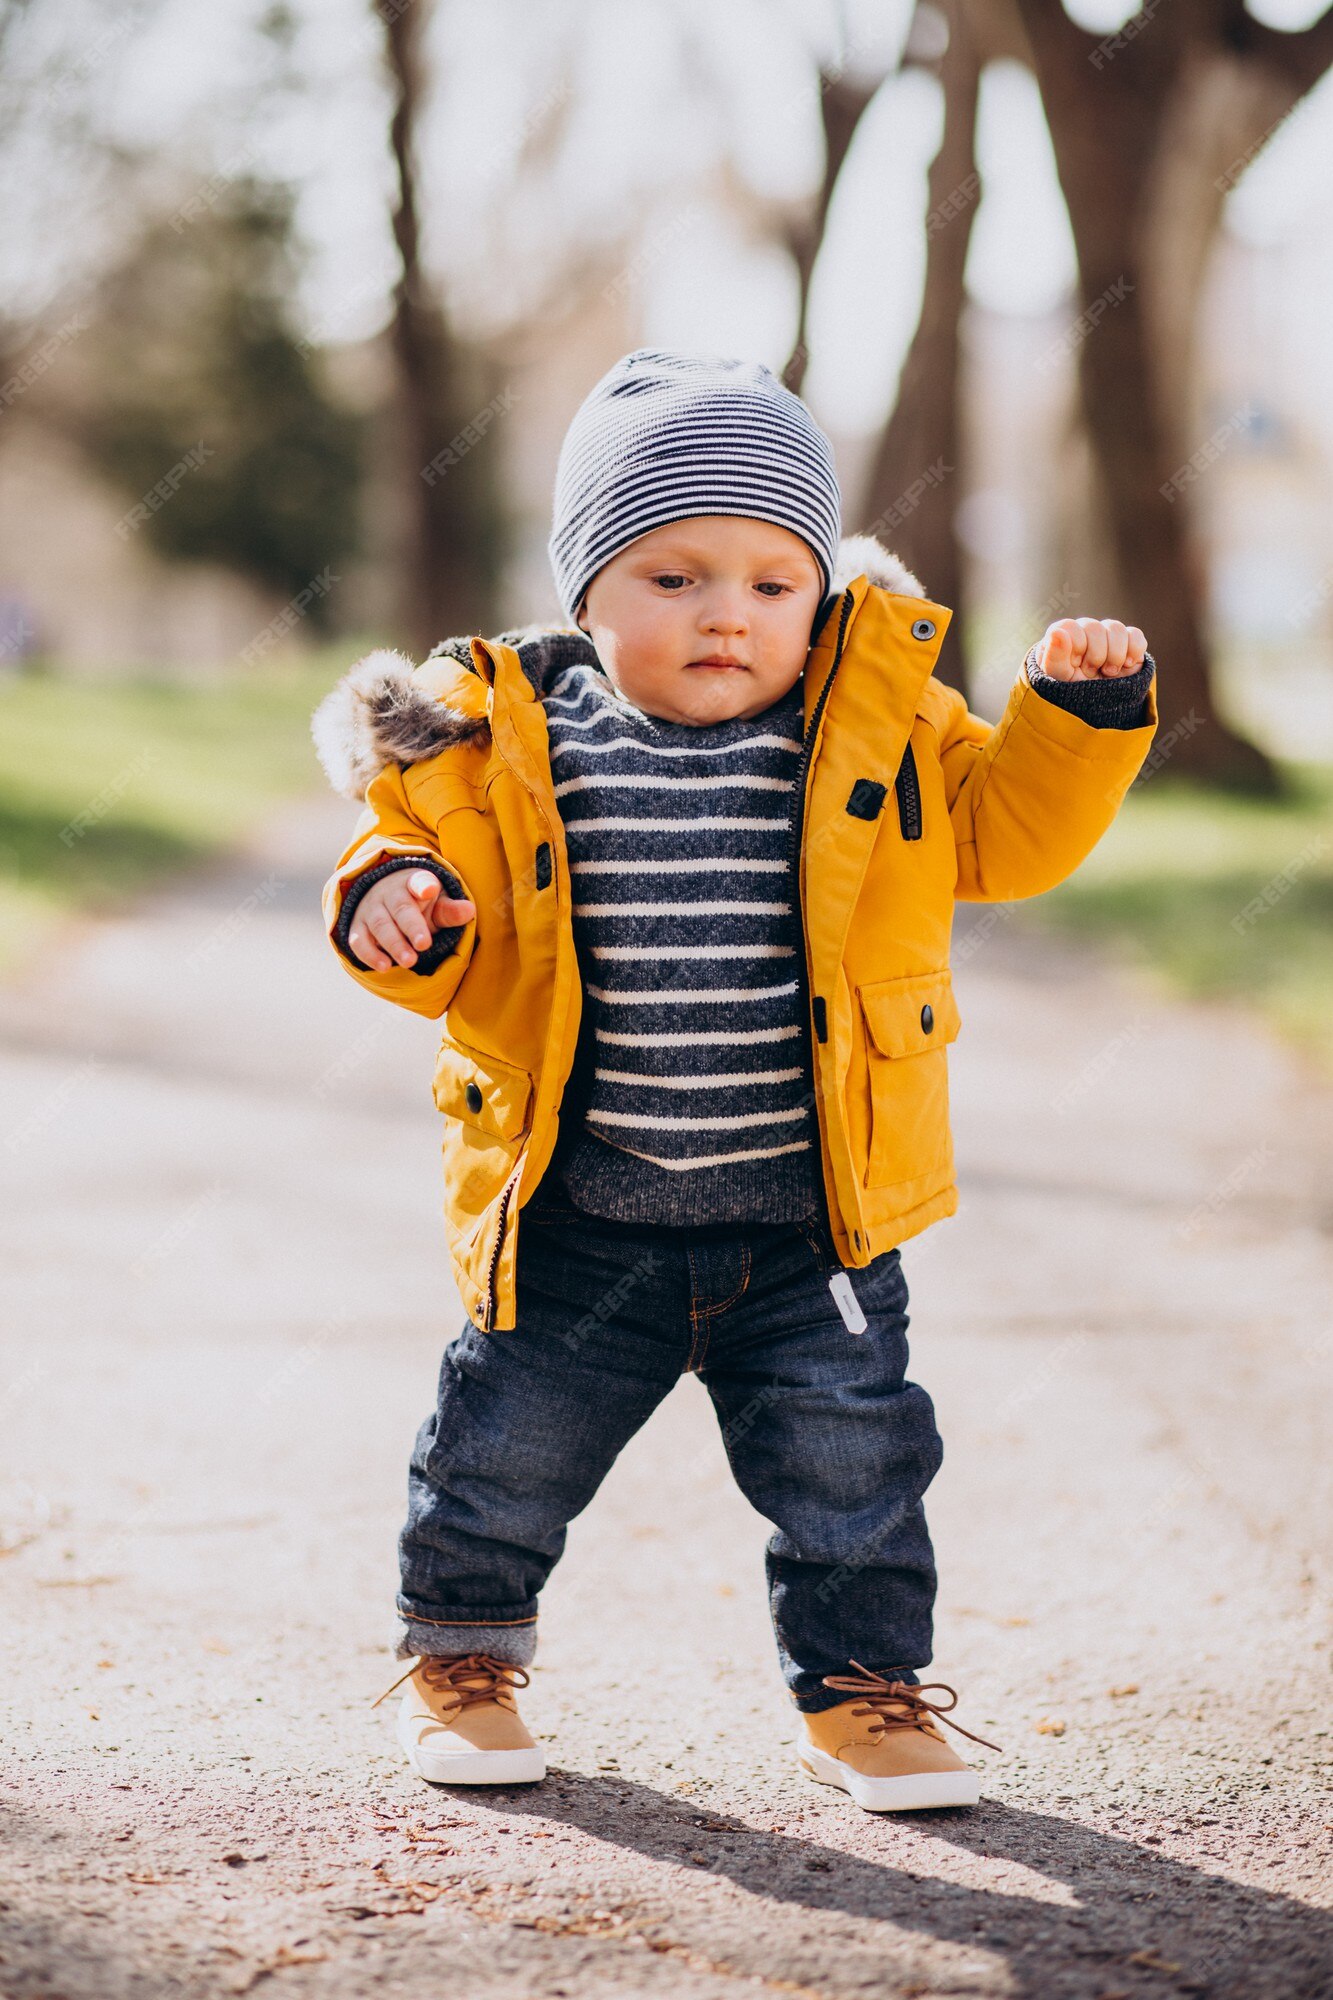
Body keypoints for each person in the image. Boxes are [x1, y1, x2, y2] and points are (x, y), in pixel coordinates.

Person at [313, 348, 1157, 1813]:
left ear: (819, 593)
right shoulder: (501, 741)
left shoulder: (875, 720)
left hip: (806, 1222)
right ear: (587, 592)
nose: (729, 615)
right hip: (577, 1221)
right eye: (674, 577)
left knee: (853, 1469)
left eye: (776, 583)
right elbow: (413, 884)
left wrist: (1075, 722)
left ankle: (864, 1695)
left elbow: (1001, 839)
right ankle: (460, 1661)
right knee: (499, 1453)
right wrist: (389, 900)